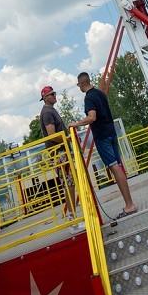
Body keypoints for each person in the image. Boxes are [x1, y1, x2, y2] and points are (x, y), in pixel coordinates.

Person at [70, 72, 138, 218]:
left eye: (78, 85)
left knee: (114, 168)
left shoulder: (89, 98)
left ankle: (129, 205)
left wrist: (76, 124)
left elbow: (92, 117)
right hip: (111, 133)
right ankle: (129, 203)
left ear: (81, 83)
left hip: (102, 137)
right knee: (117, 167)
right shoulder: (100, 94)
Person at [38, 85, 83, 233]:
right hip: (59, 153)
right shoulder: (47, 113)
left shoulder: (51, 110)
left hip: (62, 152)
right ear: (45, 97)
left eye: (55, 93)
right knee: (69, 184)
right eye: (52, 94)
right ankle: (72, 220)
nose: (55, 95)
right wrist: (68, 139)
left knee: (70, 184)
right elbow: (52, 135)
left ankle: (73, 217)